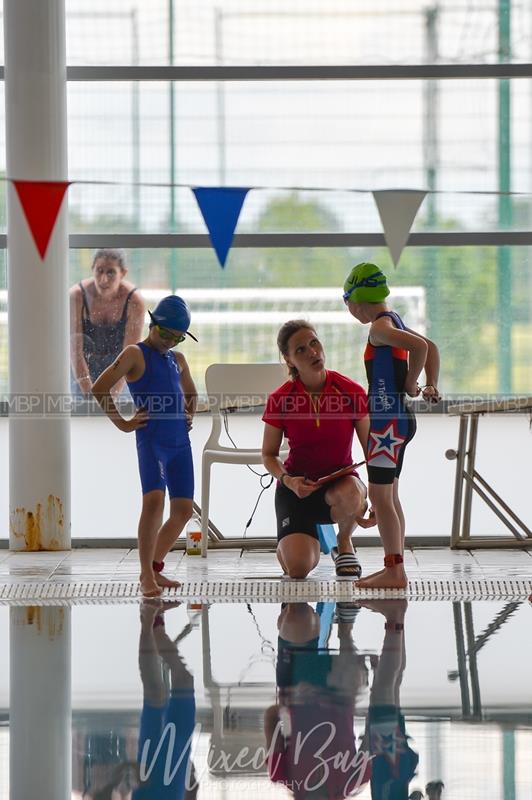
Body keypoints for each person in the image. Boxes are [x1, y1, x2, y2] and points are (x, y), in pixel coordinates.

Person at [92, 295, 198, 598]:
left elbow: (191, 393)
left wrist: (188, 413)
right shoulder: (135, 354)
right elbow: (100, 387)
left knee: (183, 510)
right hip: (152, 440)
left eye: (177, 339)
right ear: (154, 325)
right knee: (153, 503)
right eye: (165, 334)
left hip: (180, 443)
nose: (169, 342)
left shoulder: (177, 360)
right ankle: (145, 576)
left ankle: (154, 568)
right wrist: (123, 423)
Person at [343, 263, 440, 590]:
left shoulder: (379, 329)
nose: (349, 310)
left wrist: (413, 382)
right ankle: (394, 566)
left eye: (347, 302)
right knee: (391, 497)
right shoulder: (394, 320)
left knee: (383, 499)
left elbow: (423, 349)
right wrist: (431, 384)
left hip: (386, 425)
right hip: (399, 422)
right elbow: (432, 348)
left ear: (357, 300)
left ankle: (393, 571)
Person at [262, 320, 370, 580]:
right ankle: (291, 545)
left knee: (354, 491)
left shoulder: (350, 391)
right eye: (300, 350)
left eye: (314, 343)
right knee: (298, 569)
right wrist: (288, 481)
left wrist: (379, 499)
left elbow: (372, 453)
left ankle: (344, 544)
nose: (312, 352)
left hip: (339, 487)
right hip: (296, 490)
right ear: (288, 360)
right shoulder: (281, 399)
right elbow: (268, 455)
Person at [265, 602, 372, 799]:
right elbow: (372, 727)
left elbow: (271, 716)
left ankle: (290, 611)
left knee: (299, 614)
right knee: (351, 681)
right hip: (340, 687)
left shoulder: (282, 775)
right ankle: (345, 628)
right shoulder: (354, 781)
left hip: (300, 679)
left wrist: (291, 699)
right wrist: (356, 696)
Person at [359, 598, 420, 800]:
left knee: (392, 682)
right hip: (386, 749)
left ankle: (398, 616)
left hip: (394, 754)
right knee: (386, 684)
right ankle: (395, 615)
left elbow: (416, 795)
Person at [70, 248, 146, 397]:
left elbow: (129, 354)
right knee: (81, 416)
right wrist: (89, 395)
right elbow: (75, 351)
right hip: (81, 371)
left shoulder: (134, 301)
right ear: (92, 269)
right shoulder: (77, 297)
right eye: (99, 271)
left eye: (111, 272)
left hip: (121, 372)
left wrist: (112, 396)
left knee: (118, 414)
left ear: (123, 273)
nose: (104, 279)